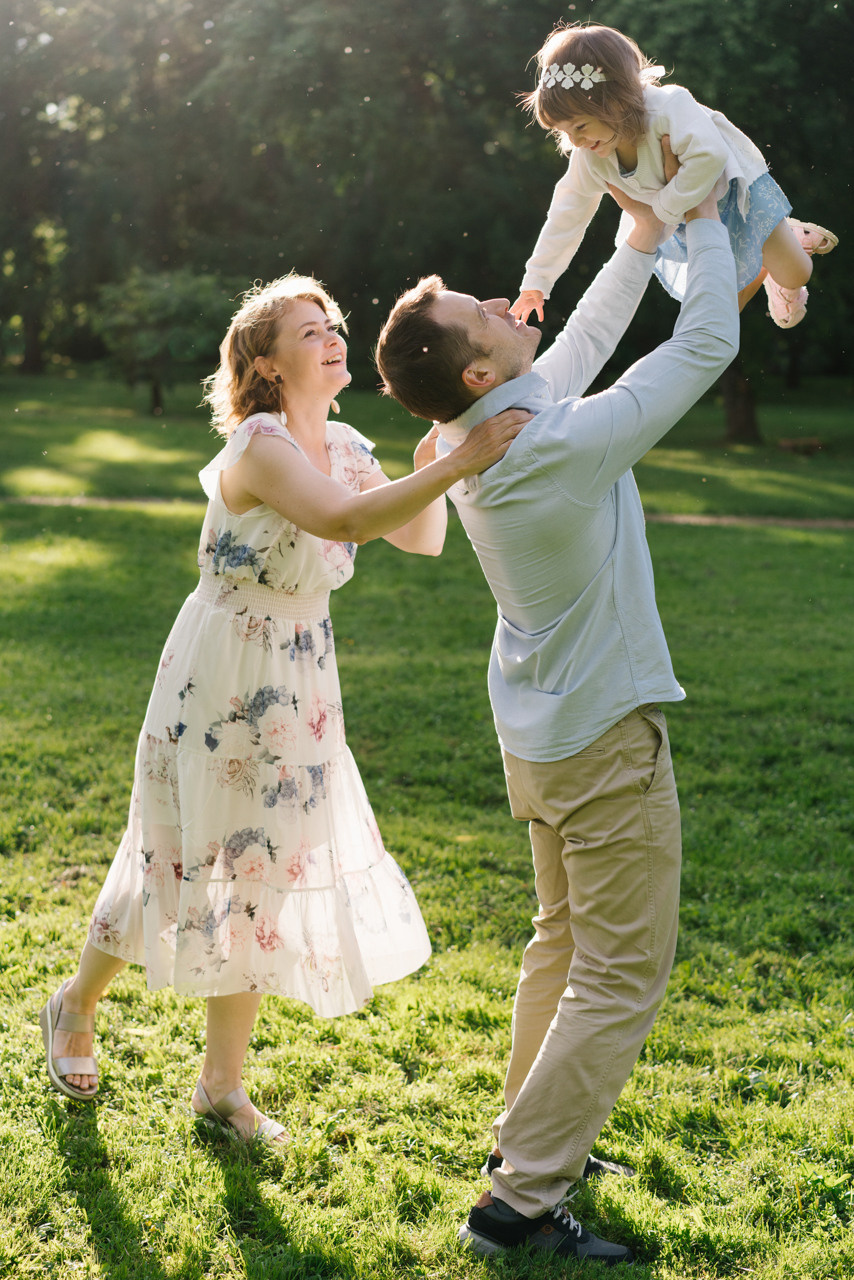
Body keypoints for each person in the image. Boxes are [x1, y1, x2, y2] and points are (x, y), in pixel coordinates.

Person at [39, 272, 526, 1142]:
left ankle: (220, 1088)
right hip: (222, 669)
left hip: (300, 675)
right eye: (308, 331)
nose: (333, 337)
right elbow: (343, 524)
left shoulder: (341, 442)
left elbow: (417, 536)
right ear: (265, 362)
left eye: (333, 324)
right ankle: (75, 1005)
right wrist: (459, 461)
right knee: (177, 855)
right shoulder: (262, 444)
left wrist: (429, 462)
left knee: (260, 872)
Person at [374, 166, 739, 1262]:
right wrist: (706, 227)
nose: (502, 298)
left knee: (562, 945)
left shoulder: (486, 425)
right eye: (481, 310)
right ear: (479, 363)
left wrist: (633, 236)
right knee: (619, 973)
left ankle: (526, 1150)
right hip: (599, 742)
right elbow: (703, 348)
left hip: (541, 741)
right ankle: (520, 1197)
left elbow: (576, 341)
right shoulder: (551, 445)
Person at [511, 22, 837, 330]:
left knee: (797, 273)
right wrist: (537, 280)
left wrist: (660, 210)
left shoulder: (667, 109)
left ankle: (788, 245)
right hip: (686, 217)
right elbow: (567, 213)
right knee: (719, 311)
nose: (576, 142)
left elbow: (708, 157)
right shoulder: (591, 156)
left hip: (735, 196)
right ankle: (761, 270)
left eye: (580, 126)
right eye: (565, 132)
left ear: (616, 101)